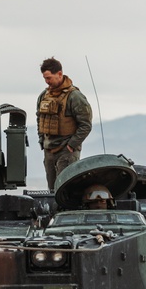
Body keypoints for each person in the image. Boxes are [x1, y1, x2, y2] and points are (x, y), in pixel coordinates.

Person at [36, 58, 93, 190]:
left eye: (49, 77)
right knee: (52, 190)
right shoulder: (44, 96)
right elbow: (39, 118)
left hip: (66, 151)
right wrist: (41, 139)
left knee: (66, 189)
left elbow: (85, 125)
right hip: (49, 150)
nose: (47, 81)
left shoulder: (75, 97)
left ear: (60, 74)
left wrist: (71, 146)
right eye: (45, 78)